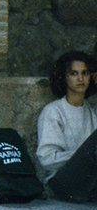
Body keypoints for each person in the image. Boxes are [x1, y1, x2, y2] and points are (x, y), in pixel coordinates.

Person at [36, 50, 97, 202]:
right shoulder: (53, 111)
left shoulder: (92, 112)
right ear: (64, 77)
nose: (80, 79)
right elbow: (47, 159)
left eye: (85, 73)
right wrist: (83, 155)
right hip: (62, 181)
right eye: (73, 73)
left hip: (89, 180)